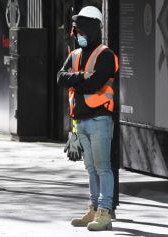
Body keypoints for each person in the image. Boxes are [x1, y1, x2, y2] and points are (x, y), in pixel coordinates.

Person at [57, 6, 118, 231]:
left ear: (93, 28)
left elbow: (96, 84)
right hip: (81, 120)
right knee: (91, 168)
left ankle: (105, 212)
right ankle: (93, 208)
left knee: (103, 167)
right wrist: (81, 76)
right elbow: (60, 78)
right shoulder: (74, 56)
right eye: (76, 29)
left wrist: (76, 81)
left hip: (100, 119)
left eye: (81, 28)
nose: (77, 33)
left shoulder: (106, 55)